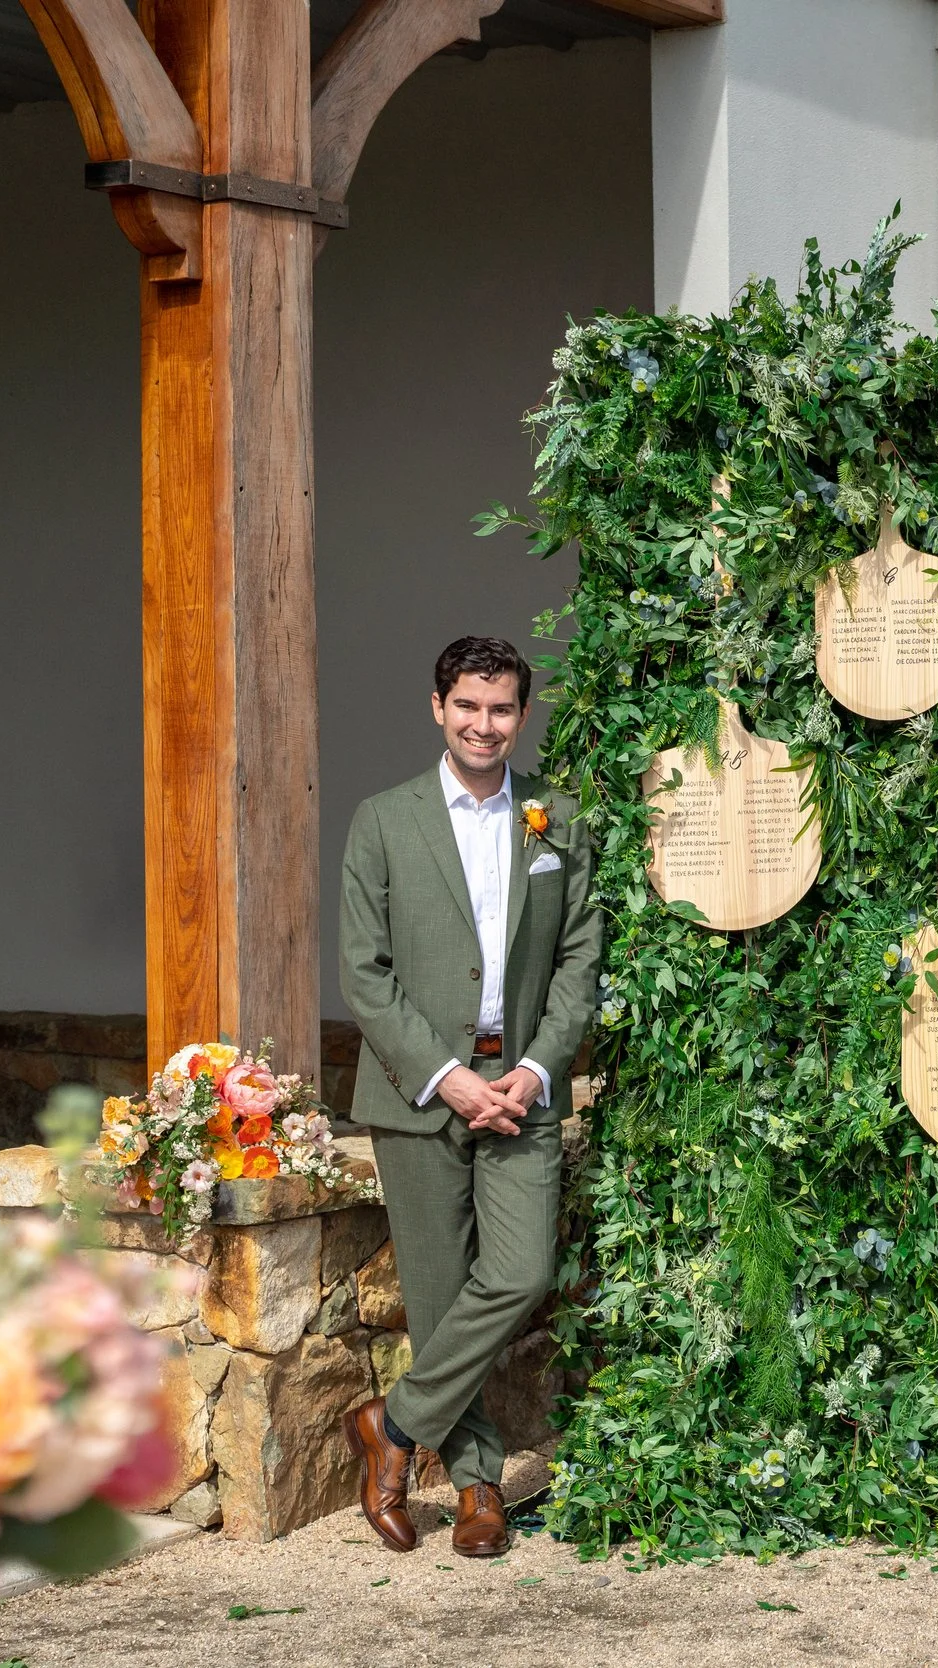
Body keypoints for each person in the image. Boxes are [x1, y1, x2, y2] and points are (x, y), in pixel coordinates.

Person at [336, 636, 600, 1557]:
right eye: (467, 706)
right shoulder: (383, 820)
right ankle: (479, 1488)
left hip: (523, 1089)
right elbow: (364, 974)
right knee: (442, 1294)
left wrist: (536, 1068)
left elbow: (578, 963)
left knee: (521, 1272)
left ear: (521, 715)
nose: (484, 725)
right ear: (437, 708)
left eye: (501, 709)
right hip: (418, 1096)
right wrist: (449, 1079)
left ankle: (393, 1426)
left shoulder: (556, 819)